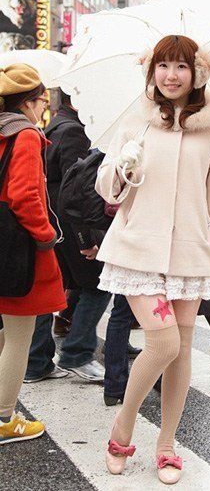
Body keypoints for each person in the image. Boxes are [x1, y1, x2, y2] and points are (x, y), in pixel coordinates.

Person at [95, 35, 210, 483]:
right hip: (138, 250)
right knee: (163, 344)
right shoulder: (137, 120)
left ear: (197, 73)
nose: (171, 76)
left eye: (181, 67)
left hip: (190, 255)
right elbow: (107, 189)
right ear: (152, 70)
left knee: (180, 353)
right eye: (163, 66)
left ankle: (166, 445)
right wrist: (122, 168)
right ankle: (122, 428)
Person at [24, 89, 111, 383]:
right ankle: (77, 353)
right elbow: (77, 192)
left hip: (53, 222)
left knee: (48, 291)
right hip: (69, 226)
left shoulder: (55, 125)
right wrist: (87, 239)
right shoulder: (74, 131)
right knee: (99, 284)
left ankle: (37, 361)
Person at [0, 63, 66, 444]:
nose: (44, 107)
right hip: (17, 250)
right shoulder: (24, 134)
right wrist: (45, 236)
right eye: (42, 100)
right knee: (19, 335)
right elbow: (24, 196)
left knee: (5, 333)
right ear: (28, 102)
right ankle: (4, 418)